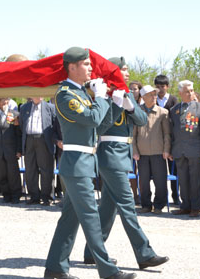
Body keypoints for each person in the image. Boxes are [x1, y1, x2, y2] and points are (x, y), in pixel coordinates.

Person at [44, 47, 134, 279]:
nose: (91, 68)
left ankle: (55, 268)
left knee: (69, 220)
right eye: (86, 64)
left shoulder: (82, 93)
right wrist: (102, 98)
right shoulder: (65, 94)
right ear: (71, 67)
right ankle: (108, 272)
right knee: (91, 218)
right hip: (76, 164)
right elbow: (92, 118)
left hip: (84, 162)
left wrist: (114, 103)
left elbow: (99, 127)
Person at [84, 56, 169, 272]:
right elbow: (98, 128)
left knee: (108, 209)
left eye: (127, 69)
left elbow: (141, 120)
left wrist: (131, 107)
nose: (127, 73)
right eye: (122, 69)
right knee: (128, 206)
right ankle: (144, 254)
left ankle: (92, 252)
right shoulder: (101, 95)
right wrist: (115, 103)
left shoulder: (127, 93)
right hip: (110, 154)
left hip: (123, 154)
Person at [170, 80, 200, 217]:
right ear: (180, 93)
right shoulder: (174, 110)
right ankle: (185, 206)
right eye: (187, 91)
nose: (190, 93)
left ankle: (196, 207)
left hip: (196, 151)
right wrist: (171, 150)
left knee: (196, 179)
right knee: (183, 180)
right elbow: (171, 132)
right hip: (179, 150)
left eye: (192, 90)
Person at [132, 85, 171, 214]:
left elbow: (167, 134)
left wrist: (166, 149)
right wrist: (135, 150)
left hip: (158, 152)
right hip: (142, 154)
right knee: (143, 181)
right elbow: (133, 135)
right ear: (143, 97)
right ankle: (146, 205)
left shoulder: (163, 112)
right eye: (151, 94)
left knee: (160, 181)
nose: (154, 97)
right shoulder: (137, 112)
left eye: (155, 94)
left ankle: (159, 205)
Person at [19, 97, 56, 206]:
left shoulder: (50, 107)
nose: (37, 96)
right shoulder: (24, 107)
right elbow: (22, 124)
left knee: (46, 170)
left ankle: (46, 197)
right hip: (29, 139)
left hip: (44, 140)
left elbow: (54, 125)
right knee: (30, 169)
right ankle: (34, 196)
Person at [0, 97, 22, 203]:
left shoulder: (13, 114)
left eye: (6, 100)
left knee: (13, 173)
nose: (4, 102)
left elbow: (18, 134)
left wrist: (19, 150)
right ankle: (6, 195)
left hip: (11, 149)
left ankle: (16, 195)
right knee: (1, 174)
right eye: (1, 100)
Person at [154, 74, 179, 204]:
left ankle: (176, 196)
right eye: (157, 87)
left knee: (174, 170)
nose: (160, 89)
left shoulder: (174, 100)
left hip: (172, 138)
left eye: (162, 86)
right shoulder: (153, 100)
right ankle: (162, 197)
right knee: (160, 171)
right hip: (158, 138)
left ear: (167, 86)